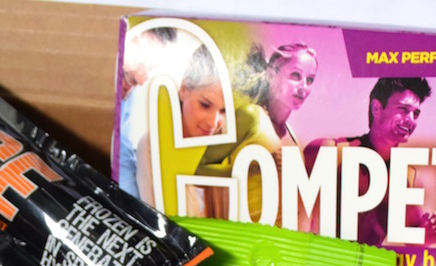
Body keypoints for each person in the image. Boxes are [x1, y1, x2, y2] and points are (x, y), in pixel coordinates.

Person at [305, 77, 436, 246]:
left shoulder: (407, 179)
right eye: (403, 109)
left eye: (416, 114)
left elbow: (414, 240)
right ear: (376, 108)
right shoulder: (328, 152)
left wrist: (427, 236)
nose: (411, 119)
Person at [196, 42, 319, 223]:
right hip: (243, 236)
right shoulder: (251, 116)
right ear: (272, 74)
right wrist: (252, 168)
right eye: (295, 75)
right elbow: (197, 172)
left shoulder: (293, 138)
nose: (303, 87)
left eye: (310, 80)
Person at [135, 44, 226, 216]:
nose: (213, 123)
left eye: (223, 111)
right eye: (205, 105)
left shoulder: (224, 151)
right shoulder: (152, 146)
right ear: (184, 90)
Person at [116, 26, 181, 198]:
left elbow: (122, 150)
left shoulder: (128, 94)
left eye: (150, 68)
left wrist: (133, 201)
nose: (141, 79)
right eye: (139, 62)